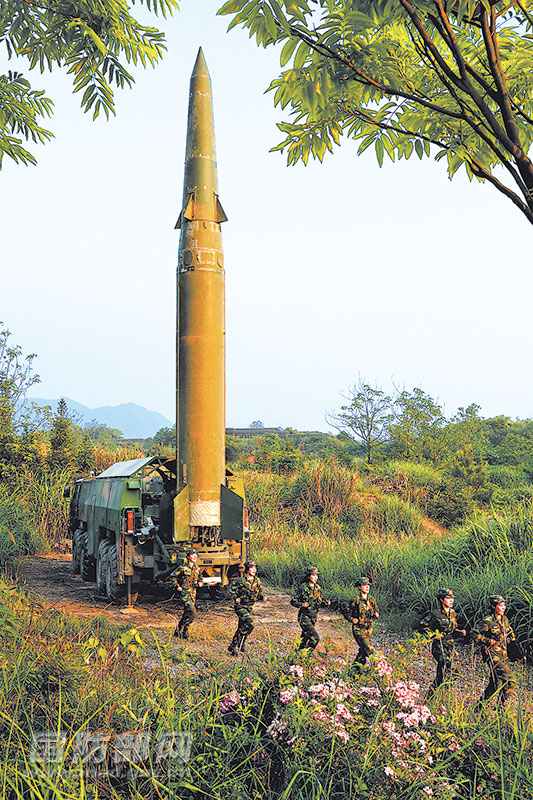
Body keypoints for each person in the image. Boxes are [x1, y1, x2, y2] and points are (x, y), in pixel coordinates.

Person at [474, 594, 522, 709]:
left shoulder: (505, 620)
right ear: (493, 606)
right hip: (492, 655)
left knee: (495, 684)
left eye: (504, 605)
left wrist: (516, 652)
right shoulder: (488, 621)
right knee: (511, 681)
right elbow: (474, 633)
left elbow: (510, 636)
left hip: (503, 655)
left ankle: (478, 708)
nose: (503, 608)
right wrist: (487, 640)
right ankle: (500, 707)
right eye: (500, 606)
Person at [418, 588, 466, 695]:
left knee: (440, 676)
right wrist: (434, 635)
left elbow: (453, 630)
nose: (451, 600)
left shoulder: (453, 613)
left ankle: (431, 696)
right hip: (439, 647)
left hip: (450, 647)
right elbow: (422, 626)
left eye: (452, 598)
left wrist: (460, 632)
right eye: (448, 598)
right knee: (451, 668)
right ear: (441, 599)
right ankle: (444, 691)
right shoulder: (435, 614)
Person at [228, 561, 264, 655]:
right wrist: (236, 598)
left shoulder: (257, 581)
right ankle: (237, 643)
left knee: (242, 627)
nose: (254, 570)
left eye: (255, 568)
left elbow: (259, 593)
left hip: (249, 607)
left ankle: (236, 645)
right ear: (247, 569)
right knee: (250, 624)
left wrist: (262, 597)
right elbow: (231, 589)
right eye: (252, 568)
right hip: (240, 607)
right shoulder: (241, 580)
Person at [290, 566, 330, 651]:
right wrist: (301, 604)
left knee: (305, 638)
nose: (315, 577)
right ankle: (307, 655)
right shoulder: (303, 587)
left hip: (313, 617)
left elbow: (320, 603)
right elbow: (293, 601)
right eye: (313, 575)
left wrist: (326, 603)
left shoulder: (318, 588)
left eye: (316, 575)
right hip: (304, 617)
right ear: (309, 576)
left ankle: (298, 655)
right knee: (315, 638)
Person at [343, 577, 380, 666]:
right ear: (359, 587)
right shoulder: (355, 600)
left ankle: (354, 671)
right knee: (369, 649)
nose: (367, 587)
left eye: (368, 585)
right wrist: (352, 620)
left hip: (369, 629)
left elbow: (376, 611)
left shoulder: (371, 600)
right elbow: (345, 612)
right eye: (364, 585)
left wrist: (376, 614)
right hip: (358, 629)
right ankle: (378, 667)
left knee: (363, 651)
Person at [172, 548, 203, 639]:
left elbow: (200, 577)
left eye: (195, 555)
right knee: (192, 611)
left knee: (187, 612)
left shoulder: (197, 568)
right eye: (192, 555)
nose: (194, 556)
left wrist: (200, 582)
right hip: (185, 593)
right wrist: (177, 586)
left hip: (193, 593)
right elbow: (173, 576)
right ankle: (185, 630)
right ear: (188, 557)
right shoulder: (182, 567)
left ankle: (179, 631)